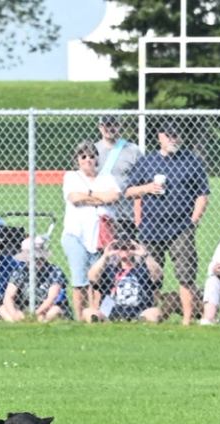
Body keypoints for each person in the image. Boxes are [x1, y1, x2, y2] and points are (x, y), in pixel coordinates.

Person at [122, 119, 210, 326]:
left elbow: (203, 194)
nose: (173, 138)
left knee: (185, 274)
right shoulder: (148, 161)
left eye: (176, 134)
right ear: (159, 137)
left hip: (180, 227)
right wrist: (148, 188)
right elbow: (129, 191)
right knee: (151, 275)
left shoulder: (191, 160)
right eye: (168, 135)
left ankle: (187, 320)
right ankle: (151, 316)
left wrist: (193, 221)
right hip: (151, 227)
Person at [61, 142, 119, 310]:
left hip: (100, 236)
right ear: (77, 160)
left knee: (98, 279)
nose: (88, 160)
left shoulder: (106, 177)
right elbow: (74, 198)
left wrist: (88, 195)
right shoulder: (71, 176)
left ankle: (95, 314)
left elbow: (113, 197)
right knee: (80, 280)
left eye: (92, 156)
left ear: (97, 159)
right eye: (83, 157)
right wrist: (99, 198)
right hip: (76, 235)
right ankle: (80, 317)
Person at [84, 236, 163, 324]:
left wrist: (145, 255)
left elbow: (158, 274)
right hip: (110, 312)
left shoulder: (143, 269)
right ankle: (100, 321)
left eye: (129, 247)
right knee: (88, 312)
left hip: (140, 311)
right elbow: (91, 277)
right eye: (119, 247)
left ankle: (139, 321)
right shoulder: (109, 270)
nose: (124, 250)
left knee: (155, 312)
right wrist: (105, 256)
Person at [94, 114, 141, 233]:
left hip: (125, 215)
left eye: (114, 125)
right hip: (99, 213)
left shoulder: (132, 150)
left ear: (120, 126)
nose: (110, 128)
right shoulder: (92, 151)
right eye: (107, 125)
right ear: (100, 127)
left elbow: (142, 180)